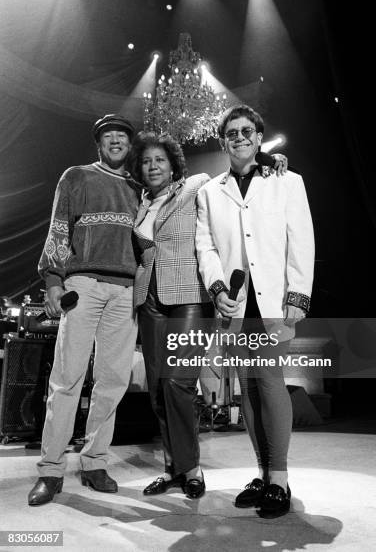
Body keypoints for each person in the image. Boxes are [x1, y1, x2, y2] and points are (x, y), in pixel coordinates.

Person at [131, 131, 288, 499]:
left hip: (190, 296)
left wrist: (270, 160)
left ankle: (193, 469)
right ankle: (173, 468)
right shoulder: (139, 204)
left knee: (178, 382)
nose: (152, 166)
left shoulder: (196, 186)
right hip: (150, 299)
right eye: (146, 162)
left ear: (173, 165)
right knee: (157, 389)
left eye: (160, 160)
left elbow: (237, 168)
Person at [196, 104, 314, 517]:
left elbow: (302, 241)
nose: (241, 137)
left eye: (248, 131)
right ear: (224, 140)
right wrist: (216, 290)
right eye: (232, 132)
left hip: (274, 302)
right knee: (246, 387)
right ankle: (263, 473)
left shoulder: (288, 183)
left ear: (259, 138)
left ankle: (279, 477)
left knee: (268, 381)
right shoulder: (210, 191)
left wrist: (297, 297)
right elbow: (205, 246)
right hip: (234, 304)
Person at [28, 114, 139, 506]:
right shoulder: (75, 176)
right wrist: (53, 279)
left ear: (129, 145)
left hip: (125, 291)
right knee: (67, 378)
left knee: (112, 381)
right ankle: (51, 470)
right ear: (99, 143)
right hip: (83, 285)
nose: (115, 140)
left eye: (122, 136)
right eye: (108, 135)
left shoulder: (137, 186)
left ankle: (94, 462)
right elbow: (59, 226)